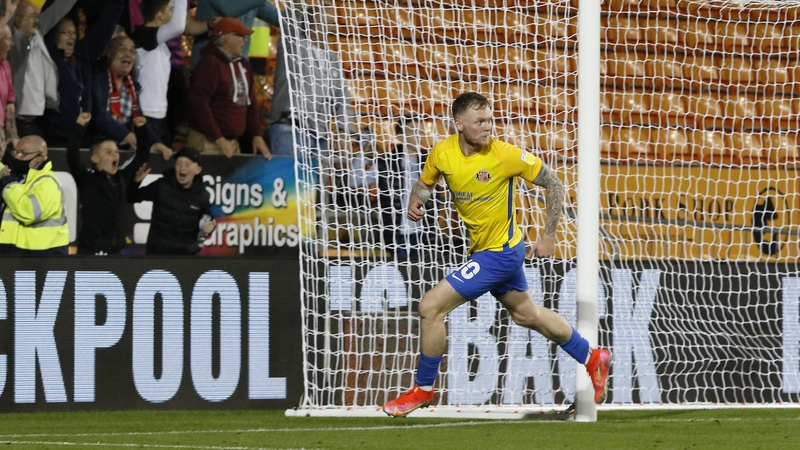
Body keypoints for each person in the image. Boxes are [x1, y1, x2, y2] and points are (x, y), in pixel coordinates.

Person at [381, 93, 613, 417]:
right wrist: (415, 199)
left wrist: (549, 236)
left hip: (501, 254)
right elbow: (425, 182)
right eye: (480, 122)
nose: (488, 127)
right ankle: (592, 357)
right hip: (487, 250)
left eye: (490, 120)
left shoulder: (504, 155)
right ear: (459, 125)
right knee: (527, 316)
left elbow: (554, 183)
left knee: (430, 307)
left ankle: (423, 390)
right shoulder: (442, 152)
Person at [267, 3, 360, 158]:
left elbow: (342, 98)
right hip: (290, 129)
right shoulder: (294, 46)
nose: (331, 27)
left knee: (318, 182)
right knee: (290, 180)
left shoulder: (333, 58)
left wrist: (345, 130)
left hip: (320, 134)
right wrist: (301, 5)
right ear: (313, 25)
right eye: (327, 22)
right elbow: (290, 20)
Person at [40, 0, 125, 147]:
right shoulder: (49, 56)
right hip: (53, 138)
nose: (72, 36)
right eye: (66, 32)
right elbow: (52, 16)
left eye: (74, 32)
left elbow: (104, 27)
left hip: (82, 138)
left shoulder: (82, 56)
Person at [66, 112, 151, 255]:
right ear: (95, 158)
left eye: (117, 152)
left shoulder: (122, 177)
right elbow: (72, 156)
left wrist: (141, 130)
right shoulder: (87, 179)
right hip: (91, 250)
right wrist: (79, 126)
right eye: (108, 152)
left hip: (117, 249)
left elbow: (142, 155)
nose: (115, 155)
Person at [187, 17, 270, 159]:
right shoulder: (209, 63)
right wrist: (218, 137)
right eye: (240, 36)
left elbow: (251, 103)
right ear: (227, 38)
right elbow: (199, 103)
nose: (244, 40)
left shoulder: (243, 65)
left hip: (231, 143)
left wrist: (257, 135)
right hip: (207, 142)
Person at [90, 35, 172, 159]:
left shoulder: (132, 85)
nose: (128, 55)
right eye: (122, 49)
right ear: (109, 52)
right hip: (96, 149)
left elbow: (138, 119)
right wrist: (126, 135)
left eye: (132, 51)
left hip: (121, 151)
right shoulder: (97, 77)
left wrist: (156, 143)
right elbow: (97, 114)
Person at [9, 0, 78, 139]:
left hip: (34, 122)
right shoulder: (12, 40)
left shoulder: (37, 31)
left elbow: (58, 10)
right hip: (14, 123)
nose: (36, 19)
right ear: (17, 20)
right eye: (32, 16)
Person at [129, 146, 215, 255]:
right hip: (157, 254)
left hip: (185, 256)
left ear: (198, 170)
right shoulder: (162, 185)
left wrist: (210, 227)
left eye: (187, 164)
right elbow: (132, 197)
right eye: (179, 163)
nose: (182, 168)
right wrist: (135, 182)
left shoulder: (202, 195)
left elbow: (208, 219)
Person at [0, 134, 68, 253]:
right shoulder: (19, 179)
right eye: (15, 153)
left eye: (23, 154)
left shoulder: (48, 182)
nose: (17, 157)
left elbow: (28, 212)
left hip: (42, 260)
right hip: (16, 257)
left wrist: (8, 184)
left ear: (40, 158)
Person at [191, 0, 280, 69]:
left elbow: (280, 18)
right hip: (208, 65)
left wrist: (293, 9)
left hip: (239, 66)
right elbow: (229, 9)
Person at [0, 1, 19, 151]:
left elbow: (9, 102)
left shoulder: (5, 65)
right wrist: (6, 16)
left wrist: (11, 133)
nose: (11, 44)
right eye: (8, 39)